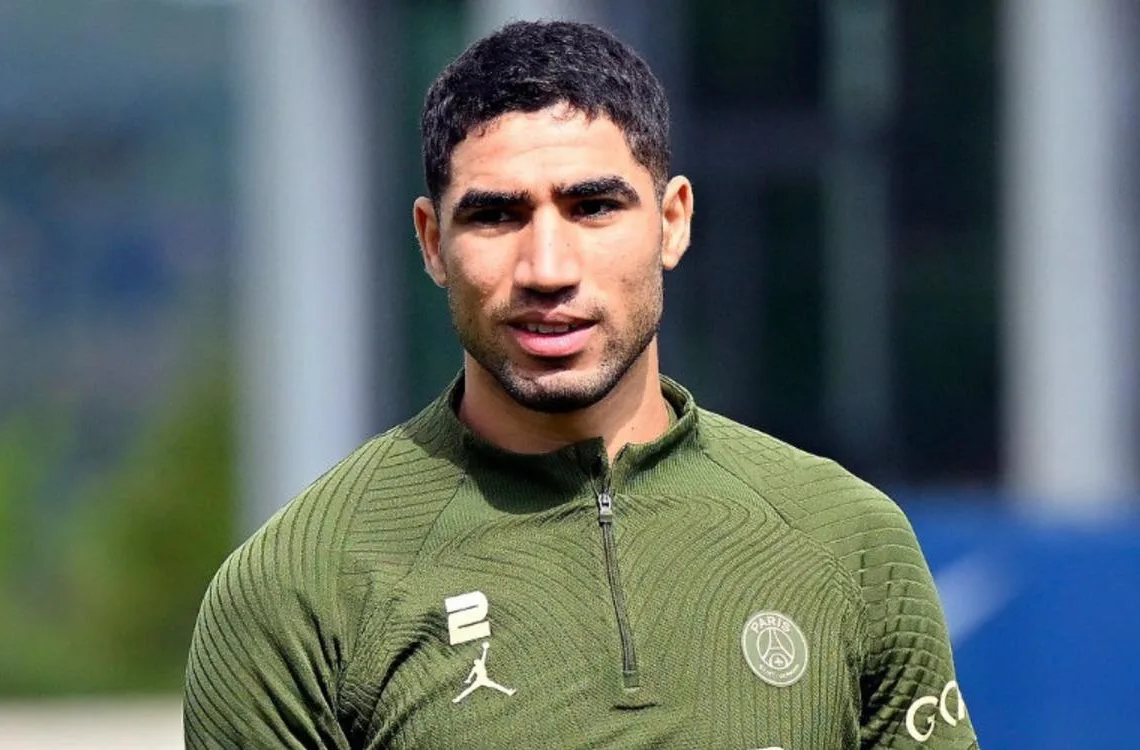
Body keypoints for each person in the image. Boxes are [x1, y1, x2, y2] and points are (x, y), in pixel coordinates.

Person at [184, 19, 978, 750]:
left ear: (672, 221)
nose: (547, 269)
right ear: (432, 242)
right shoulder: (298, 589)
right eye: (496, 216)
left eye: (593, 207)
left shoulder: (848, 543)